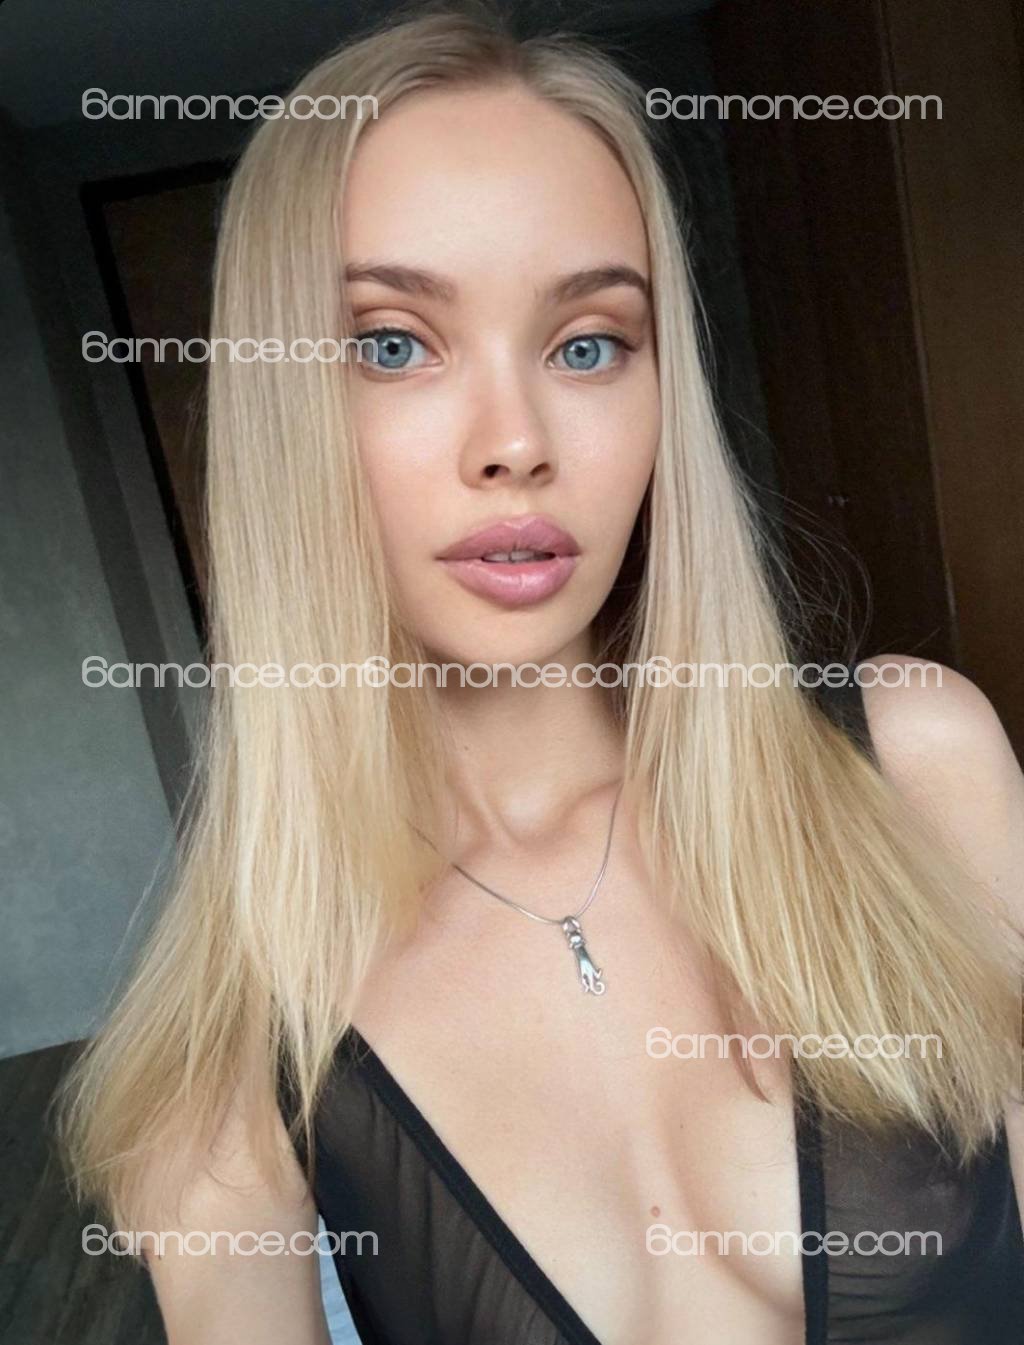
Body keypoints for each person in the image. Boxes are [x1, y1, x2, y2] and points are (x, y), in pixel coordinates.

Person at [55, 10, 1024, 1344]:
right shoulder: (224, 1067)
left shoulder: (918, 762)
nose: (515, 442)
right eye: (392, 342)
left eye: (587, 343)